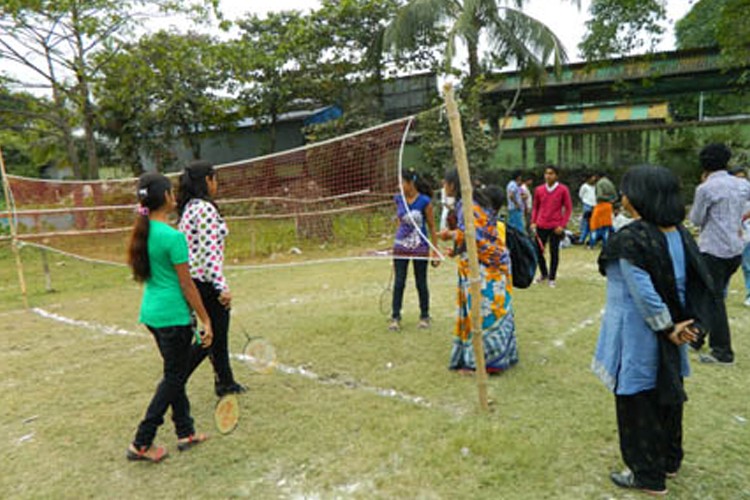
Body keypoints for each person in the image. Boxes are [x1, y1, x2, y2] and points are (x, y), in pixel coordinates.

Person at [593, 165, 717, 495]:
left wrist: (667, 328)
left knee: (637, 400)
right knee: (668, 394)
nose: (623, 197)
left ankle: (647, 474)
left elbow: (643, 291)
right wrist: (684, 327)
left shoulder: (632, 238)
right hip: (674, 329)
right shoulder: (679, 232)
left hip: (641, 333)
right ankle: (670, 460)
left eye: (627, 190)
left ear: (641, 197)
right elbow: (698, 281)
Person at [126, 172, 213, 463]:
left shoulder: (143, 230)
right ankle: (142, 441)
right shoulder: (173, 237)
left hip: (152, 315)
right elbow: (187, 285)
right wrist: (206, 319)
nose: (175, 196)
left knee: (174, 375)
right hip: (173, 318)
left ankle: (185, 432)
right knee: (173, 378)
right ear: (166, 197)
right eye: (172, 192)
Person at [438, 169, 518, 373]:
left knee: (485, 313)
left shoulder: (468, 205)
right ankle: (478, 359)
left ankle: (487, 364)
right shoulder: (470, 203)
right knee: (483, 311)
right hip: (483, 266)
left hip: (486, 269)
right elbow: (471, 236)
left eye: (445, 182)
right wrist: (456, 247)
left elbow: (475, 237)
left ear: (453, 185)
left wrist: (452, 235)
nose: (443, 186)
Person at [178, 160, 246, 397]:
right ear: (207, 180)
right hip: (205, 282)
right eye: (215, 179)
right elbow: (209, 254)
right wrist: (221, 287)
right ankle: (174, 382)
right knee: (211, 337)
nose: (217, 184)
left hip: (197, 281)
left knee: (216, 337)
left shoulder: (188, 208)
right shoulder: (204, 210)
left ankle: (225, 382)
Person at [689, 143, 750, 364]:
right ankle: (696, 337)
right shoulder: (742, 184)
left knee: (712, 297)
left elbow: (696, 219)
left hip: (713, 249)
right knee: (710, 293)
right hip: (735, 248)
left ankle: (722, 350)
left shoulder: (705, 189)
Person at [389, 169, 438, 331]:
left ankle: (424, 316)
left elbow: (431, 227)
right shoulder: (398, 199)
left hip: (420, 247)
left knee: (421, 282)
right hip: (401, 247)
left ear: (410, 183)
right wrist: (395, 246)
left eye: (402, 182)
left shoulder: (424, 201)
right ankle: (395, 317)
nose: (399, 186)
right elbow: (399, 223)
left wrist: (435, 250)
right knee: (399, 282)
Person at [530, 165, 572, 288]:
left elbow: (568, 208)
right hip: (541, 225)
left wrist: (562, 225)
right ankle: (544, 274)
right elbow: (535, 207)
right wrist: (533, 221)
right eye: (546, 173)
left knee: (554, 252)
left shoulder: (563, 190)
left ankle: (552, 278)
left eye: (551, 173)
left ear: (556, 175)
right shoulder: (539, 190)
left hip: (555, 227)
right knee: (538, 251)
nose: (548, 176)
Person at [731, 166, 750, 307]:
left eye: (743, 178)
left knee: (748, 265)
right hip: (731, 235)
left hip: (747, 233)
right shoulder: (727, 196)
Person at [589, 172, 616, 248]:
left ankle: (592, 243)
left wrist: (608, 199)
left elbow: (599, 196)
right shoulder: (610, 183)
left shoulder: (600, 183)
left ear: (598, 176)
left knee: (594, 225)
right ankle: (605, 244)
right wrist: (611, 200)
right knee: (606, 226)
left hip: (601, 205)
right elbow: (615, 196)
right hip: (609, 206)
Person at [578, 172, 597, 245]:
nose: (594, 179)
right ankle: (581, 239)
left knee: (593, 223)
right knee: (586, 222)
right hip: (587, 205)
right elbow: (581, 195)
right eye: (592, 177)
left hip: (594, 205)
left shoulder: (595, 187)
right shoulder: (584, 186)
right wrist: (585, 201)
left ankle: (592, 239)